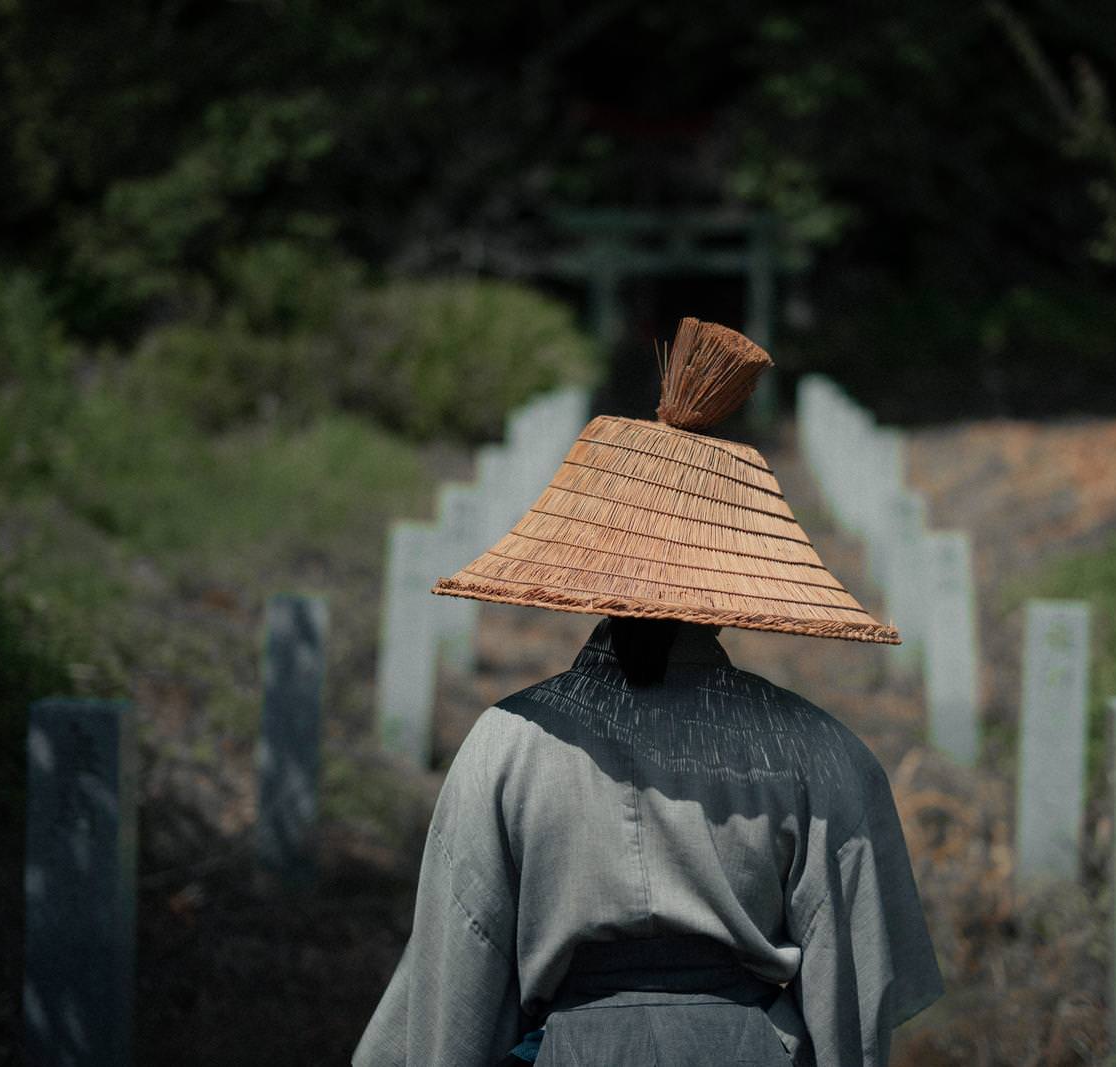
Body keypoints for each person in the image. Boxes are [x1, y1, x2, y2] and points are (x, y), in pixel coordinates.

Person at [354, 320, 942, 1067]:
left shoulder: (506, 743)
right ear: (730, 575)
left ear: (588, 565)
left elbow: (455, 972)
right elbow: (856, 988)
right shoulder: (818, 750)